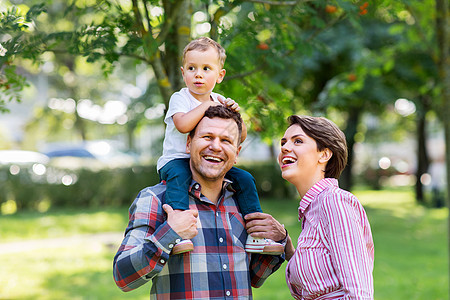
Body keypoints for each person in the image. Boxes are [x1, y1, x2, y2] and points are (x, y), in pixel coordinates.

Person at [113, 106, 288, 299]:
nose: (215, 146)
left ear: (237, 152)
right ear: (189, 143)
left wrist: (278, 239)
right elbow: (123, 277)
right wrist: (169, 235)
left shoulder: (242, 201)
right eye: (207, 137)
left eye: (226, 140)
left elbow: (255, 277)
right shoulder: (155, 199)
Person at [157, 36, 283, 255]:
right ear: (183, 72)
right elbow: (183, 124)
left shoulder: (219, 99)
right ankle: (178, 232)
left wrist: (237, 114)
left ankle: (256, 234)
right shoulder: (181, 98)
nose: (198, 74)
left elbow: (240, 136)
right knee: (178, 179)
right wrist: (208, 105)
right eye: (191, 68)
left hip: (209, 161)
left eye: (206, 68)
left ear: (220, 75)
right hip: (176, 160)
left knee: (244, 178)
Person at [278, 115, 374, 299]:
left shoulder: (334, 202)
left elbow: (359, 294)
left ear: (324, 154)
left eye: (297, 141)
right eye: (283, 142)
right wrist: (288, 249)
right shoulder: (313, 209)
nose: (284, 147)